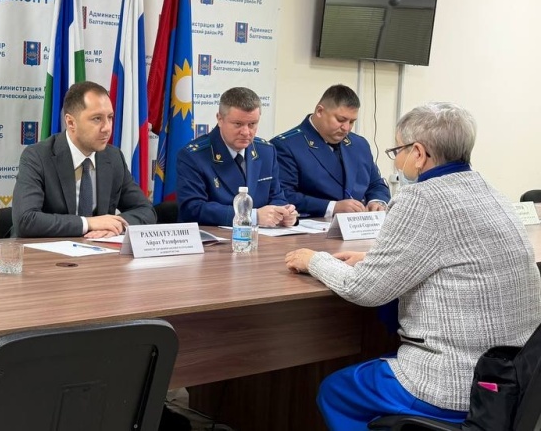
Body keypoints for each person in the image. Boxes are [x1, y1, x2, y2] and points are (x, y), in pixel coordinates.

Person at [285, 103, 541, 430]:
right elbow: (457, 257)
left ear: (418, 153)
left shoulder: (420, 198)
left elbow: (362, 289)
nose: (397, 160)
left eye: (398, 150)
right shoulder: (492, 193)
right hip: (510, 379)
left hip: (452, 384)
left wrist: (314, 260)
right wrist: (372, 260)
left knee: (337, 391)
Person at [12, 81, 155, 238]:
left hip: (98, 250)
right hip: (44, 250)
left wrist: (117, 225)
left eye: (110, 117)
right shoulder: (37, 156)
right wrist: (88, 223)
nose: (107, 128)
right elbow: (25, 220)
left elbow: (146, 210)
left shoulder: (113, 158)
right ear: (71, 122)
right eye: (97, 119)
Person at [176, 87, 296, 227]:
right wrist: (251, 217)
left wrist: (284, 214)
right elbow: (193, 209)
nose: (246, 132)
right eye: (238, 124)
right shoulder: (193, 156)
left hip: (262, 236)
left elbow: (276, 197)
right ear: (220, 119)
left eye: (252, 124)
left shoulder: (266, 151)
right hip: (215, 237)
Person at [271, 85, 389, 218]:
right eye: (341, 120)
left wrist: (377, 201)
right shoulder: (286, 145)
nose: (346, 128)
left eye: (352, 122)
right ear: (320, 111)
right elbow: (283, 195)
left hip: (359, 225)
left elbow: (376, 184)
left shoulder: (359, 144)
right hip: (312, 226)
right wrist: (332, 207)